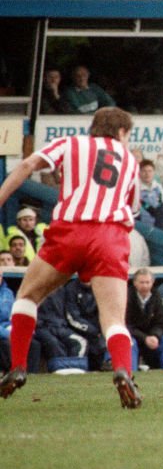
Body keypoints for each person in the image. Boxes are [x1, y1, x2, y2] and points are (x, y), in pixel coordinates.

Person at [0, 107, 144, 406]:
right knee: (113, 317)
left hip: (70, 230)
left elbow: (28, 165)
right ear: (120, 132)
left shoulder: (72, 143)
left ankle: (17, 366)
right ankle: (122, 369)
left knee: (27, 295)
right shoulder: (130, 161)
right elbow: (133, 207)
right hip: (110, 236)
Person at [127, 268, 163, 371]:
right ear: (135, 283)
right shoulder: (127, 296)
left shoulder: (156, 295)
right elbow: (126, 325)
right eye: (141, 282)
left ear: (153, 282)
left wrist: (155, 336)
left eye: (147, 282)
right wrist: (144, 338)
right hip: (134, 336)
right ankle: (130, 374)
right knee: (130, 343)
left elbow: (161, 321)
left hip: (151, 336)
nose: (145, 285)